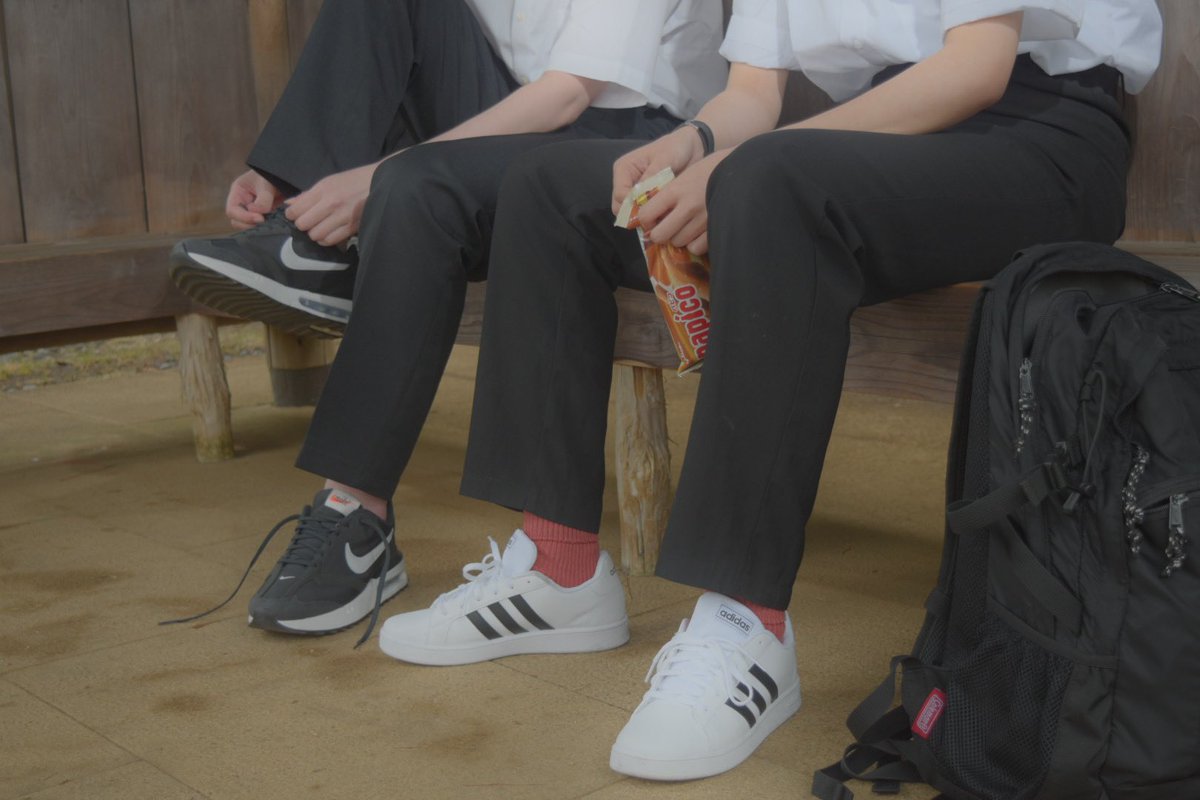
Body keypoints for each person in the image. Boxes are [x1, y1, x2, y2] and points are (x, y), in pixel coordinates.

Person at [374, 0, 1163, 782]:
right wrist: (691, 143)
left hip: (1041, 138)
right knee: (550, 186)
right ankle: (559, 570)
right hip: (872, 138)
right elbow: (752, 94)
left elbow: (974, 70)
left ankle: (745, 625)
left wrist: (745, 163)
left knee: (770, 182)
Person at [166, 0, 728, 641]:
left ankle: (356, 509)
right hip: (511, 119)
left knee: (414, 188)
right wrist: (296, 174)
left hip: (644, 146)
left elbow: (568, 94)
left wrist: (380, 176)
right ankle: (302, 235)